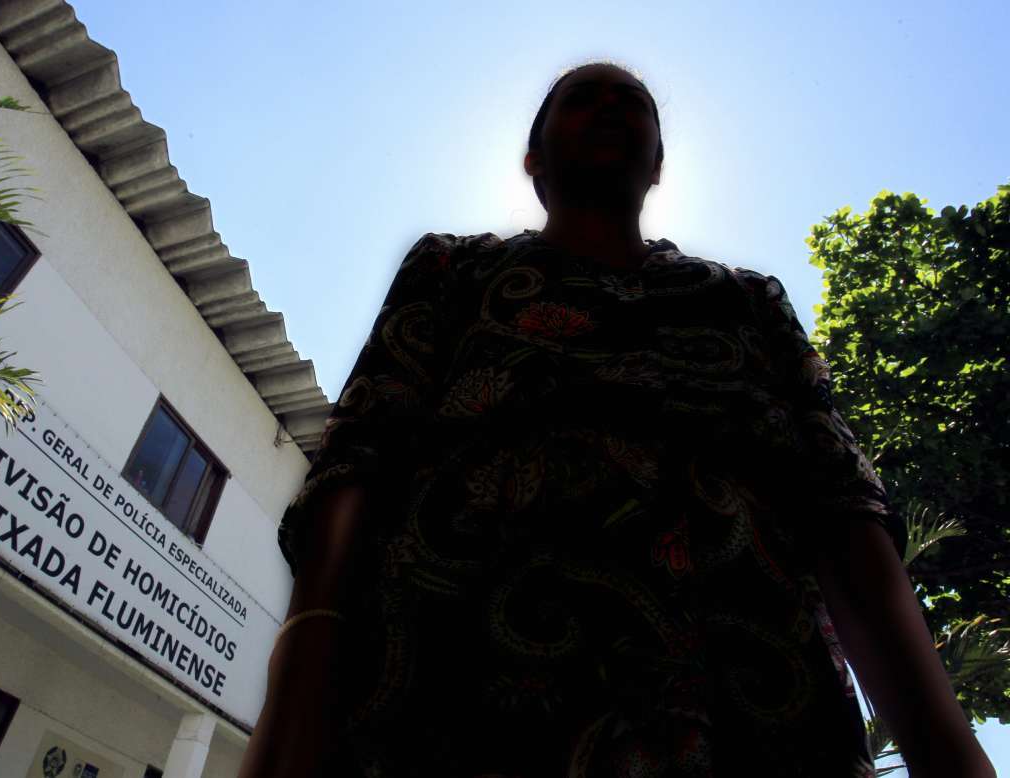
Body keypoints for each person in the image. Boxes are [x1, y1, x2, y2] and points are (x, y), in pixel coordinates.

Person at [239, 61, 996, 778]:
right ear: (532, 161)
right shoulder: (452, 271)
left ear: (660, 165)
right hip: (451, 699)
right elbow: (359, 458)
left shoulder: (747, 304)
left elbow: (842, 508)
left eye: (632, 103)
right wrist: (306, 658)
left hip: (756, 724)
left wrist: (950, 754)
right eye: (581, 98)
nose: (608, 107)